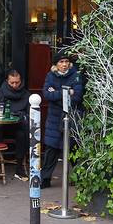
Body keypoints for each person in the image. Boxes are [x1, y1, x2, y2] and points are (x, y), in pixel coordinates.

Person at [40, 52, 83, 188]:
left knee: (72, 148)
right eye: (61, 62)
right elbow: (47, 94)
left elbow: (77, 97)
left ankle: (78, 178)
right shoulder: (50, 75)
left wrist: (56, 93)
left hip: (71, 116)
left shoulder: (76, 76)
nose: (64, 64)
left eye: (66, 62)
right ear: (56, 64)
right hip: (54, 117)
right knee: (51, 149)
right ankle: (45, 179)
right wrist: (65, 92)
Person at [0, 68, 29, 180]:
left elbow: (29, 113)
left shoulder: (26, 94)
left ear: (21, 81)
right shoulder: (0, 92)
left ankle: (19, 167)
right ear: (7, 81)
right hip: (3, 125)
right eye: (12, 82)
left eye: (17, 82)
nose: (14, 85)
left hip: (18, 126)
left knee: (21, 135)